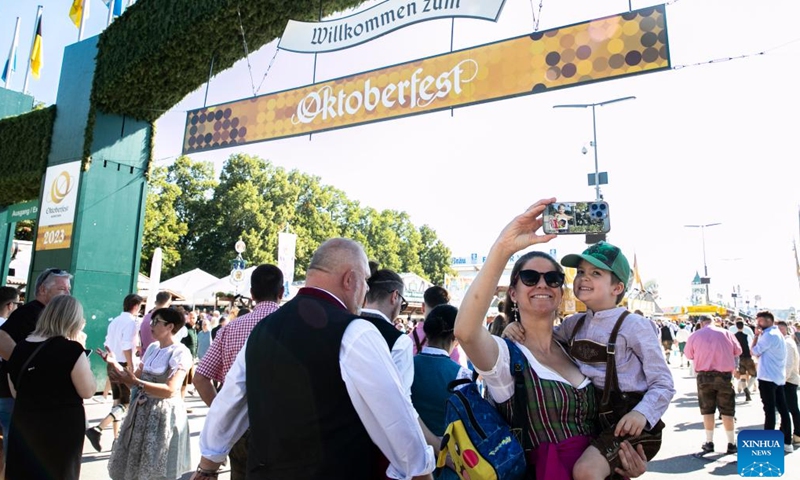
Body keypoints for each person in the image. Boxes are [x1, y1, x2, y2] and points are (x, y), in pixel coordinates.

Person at [192, 238, 435, 479]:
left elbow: (230, 401)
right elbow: (396, 420)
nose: (367, 291)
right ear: (349, 279)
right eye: (365, 280)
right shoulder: (355, 332)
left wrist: (208, 466)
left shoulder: (264, 328)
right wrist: (420, 471)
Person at [454, 200, 647, 480]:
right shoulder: (507, 357)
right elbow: (466, 332)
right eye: (530, 278)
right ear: (513, 293)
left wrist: (627, 461)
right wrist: (504, 247)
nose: (542, 284)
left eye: (553, 278)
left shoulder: (576, 348)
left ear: (560, 290)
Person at [193, 264, 283, 480]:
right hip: (279, 425)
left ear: (252, 295)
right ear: (281, 293)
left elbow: (200, 378)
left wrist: (224, 413)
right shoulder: (293, 327)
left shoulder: (230, 329)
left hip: (238, 429)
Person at [4, 295, 95, 480]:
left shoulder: (20, 348)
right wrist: (83, 351)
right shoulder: (72, 350)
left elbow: (15, 391)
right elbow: (88, 390)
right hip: (61, 430)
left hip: (24, 423)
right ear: (73, 320)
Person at [101, 307, 193, 480]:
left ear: (170, 326)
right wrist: (116, 367)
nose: (151, 325)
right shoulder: (152, 348)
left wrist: (136, 382)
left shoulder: (180, 352)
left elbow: (171, 390)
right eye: (152, 321)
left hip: (163, 414)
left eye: (156, 322)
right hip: (142, 412)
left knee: (157, 468)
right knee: (137, 466)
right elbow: (134, 383)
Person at [0, 267, 72, 458]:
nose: (67, 293)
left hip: (31, 398)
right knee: (19, 456)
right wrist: (24, 365)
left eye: (68, 289)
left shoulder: (47, 315)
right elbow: (1, 338)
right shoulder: (29, 312)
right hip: (15, 396)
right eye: (62, 289)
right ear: (42, 290)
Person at [86, 293, 143, 451]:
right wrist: (130, 364)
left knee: (117, 401)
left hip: (112, 361)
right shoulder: (131, 322)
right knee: (125, 402)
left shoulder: (115, 321)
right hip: (123, 362)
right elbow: (126, 345)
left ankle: (116, 439)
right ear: (136, 306)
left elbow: (107, 342)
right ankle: (98, 429)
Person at [411, 304, 472, 438]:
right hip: (449, 451)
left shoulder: (408, 366)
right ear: (455, 336)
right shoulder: (462, 375)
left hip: (411, 447)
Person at [683, 315, 741, 454]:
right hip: (724, 376)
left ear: (701, 323)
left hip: (704, 376)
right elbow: (737, 351)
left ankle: (709, 442)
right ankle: (731, 443)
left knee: (707, 410)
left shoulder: (694, 335)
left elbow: (688, 355)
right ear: (713, 321)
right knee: (727, 410)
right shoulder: (727, 333)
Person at [751, 310, 793, 453]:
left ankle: (768, 444)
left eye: (760, 321)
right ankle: (787, 441)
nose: (758, 324)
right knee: (782, 409)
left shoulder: (768, 335)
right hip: (778, 377)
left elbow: (754, 351)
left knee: (769, 411)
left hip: (767, 378)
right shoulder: (778, 335)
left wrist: (756, 337)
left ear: (768, 321)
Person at [776, 321, 800, 446]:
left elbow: (788, 365)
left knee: (790, 408)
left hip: (788, 381)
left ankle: (796, 433)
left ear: (783, 329)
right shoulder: (787, 342)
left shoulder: (786, 343)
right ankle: (791, 433)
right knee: (788, 408)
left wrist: (781, 381)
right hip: (788, 379)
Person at [140, 291, 172, 356]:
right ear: (169, 302)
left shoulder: (146, 317)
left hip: (145, 355)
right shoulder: (165, 319)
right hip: (159, 356)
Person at [734, 320, 756, 401]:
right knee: (754, 375)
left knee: (742, 376)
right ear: (743, 326)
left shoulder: (733, 336)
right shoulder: (747, 336)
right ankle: (748, 389)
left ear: (736, 326)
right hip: (747, 357)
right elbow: (751, 347)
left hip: (739, 358)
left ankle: (745, 389)